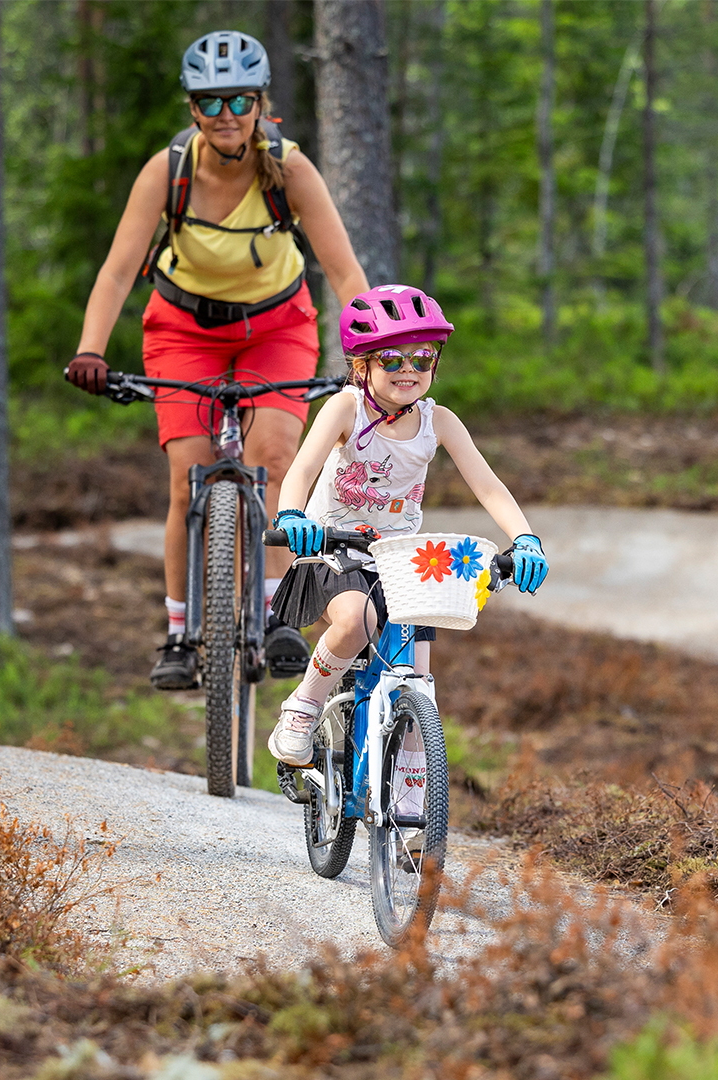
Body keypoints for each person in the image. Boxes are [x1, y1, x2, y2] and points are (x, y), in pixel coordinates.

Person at [64, 30, 372, 691]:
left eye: (239, 99)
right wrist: (91, 348)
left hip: (276, 328)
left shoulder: (290, 171)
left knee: (276, 458)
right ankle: (180, 632)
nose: (225, 113)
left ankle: (276, 613)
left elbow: (346, 273)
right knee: (187, 477)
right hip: (183, 330)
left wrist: (368, 353)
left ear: (260, 104)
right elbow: (117, 271)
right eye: (210, 101)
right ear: (192, 107)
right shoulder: (169, 170)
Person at [265, 285, 550, 767]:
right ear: (362, 367)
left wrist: (525, 539)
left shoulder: (440, 421)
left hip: (399, 560)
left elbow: (488, 486)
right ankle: (304, 705)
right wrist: (292, 515)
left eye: (422, 358)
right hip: (332, 548)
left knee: (418, 684)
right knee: (355, 621)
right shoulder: (346, 408)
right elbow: (302, 468)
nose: (409, 370)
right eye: (392, 359)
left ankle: (416, 800)